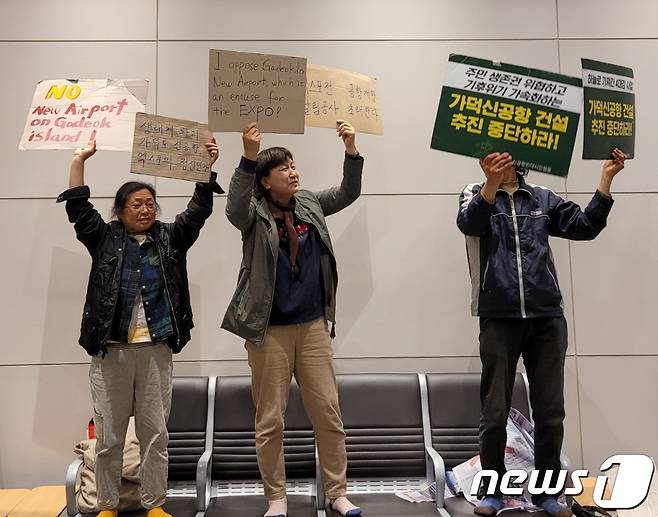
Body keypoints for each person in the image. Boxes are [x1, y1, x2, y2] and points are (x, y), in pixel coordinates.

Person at [456, 149, 626, 517]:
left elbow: (585, 227)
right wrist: (491, 183)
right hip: (498, 318)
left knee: (550, 411)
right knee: (494, 409)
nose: (504, 158)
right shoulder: (474, 192)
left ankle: (548, 493)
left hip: (546, 317)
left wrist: (606, 180)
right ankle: (492, 490)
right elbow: (470, 224)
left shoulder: (542, 197)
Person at [57, 138, 221, 517]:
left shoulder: (170, 238)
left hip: (156, 349)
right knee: (110, 437)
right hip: (110, 350)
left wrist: (206, 167)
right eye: (137, 204)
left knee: (155, 435)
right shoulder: (104, 238)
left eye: (150, 203)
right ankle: (108, 505)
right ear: (119, 211)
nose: (145, 209)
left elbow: (198, 211)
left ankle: (155, 504)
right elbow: (78, 207)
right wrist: (79, 158)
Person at [222, 121, 364, 517]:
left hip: (314, 325)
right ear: (265, 181)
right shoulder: (253, 214)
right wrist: (249, 156)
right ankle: (277, 498)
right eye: (283, 168)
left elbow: (348, 192)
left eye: (293, 164)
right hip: (268, 331)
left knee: (329, 414)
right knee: (270, 420)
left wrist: (351, 150)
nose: (292, 171)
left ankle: (337, 493)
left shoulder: (310, 204)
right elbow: (233, 208)